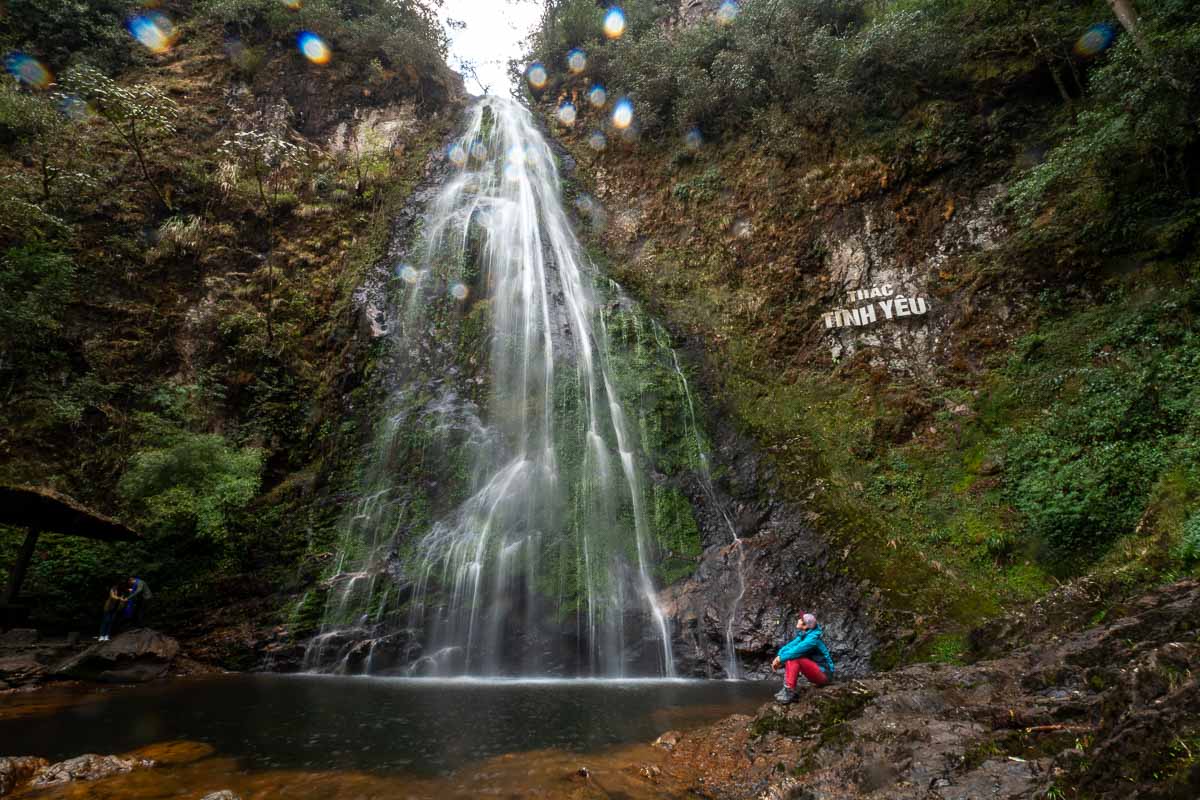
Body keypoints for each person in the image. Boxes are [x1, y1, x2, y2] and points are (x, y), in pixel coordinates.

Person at [771, 612, 835, 704]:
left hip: (824, 674)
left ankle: (789, 692)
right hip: (815, 671)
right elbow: (789, 647)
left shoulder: (812, 639)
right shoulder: (804, 635)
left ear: (805, 626)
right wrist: (778, 656)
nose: (798, 620)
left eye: (801, 620)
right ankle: (787, 689)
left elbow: (795, 651)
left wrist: (779, 660)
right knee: (790, 656)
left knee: (794, 658)